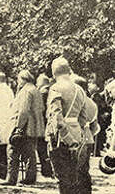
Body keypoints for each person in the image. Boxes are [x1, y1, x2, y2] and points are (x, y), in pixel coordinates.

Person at [46, 57, 91, 194]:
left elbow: (57, 118)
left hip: (61, 139)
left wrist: (67, 138)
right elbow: (84, 118)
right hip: (78, 136)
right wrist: (78, 137)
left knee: (64, 180)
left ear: (54, 72)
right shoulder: (79, 89)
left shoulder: (55, 88)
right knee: (76, 177)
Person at [1, 70, 44, 186]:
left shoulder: (25, 91)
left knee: (12, 151)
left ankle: (11, 178)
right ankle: (30, 178)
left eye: (18, 79)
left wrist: (17, 128)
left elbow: (23, 111)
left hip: (24, 127)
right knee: (30, 153)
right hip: (33, 127)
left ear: (23, 79)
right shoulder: (35, 90)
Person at [71, 75, 99, 194]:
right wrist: (89, 134)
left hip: (74, 137)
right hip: (88, 138)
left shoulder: (74, 101)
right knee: (84, 170)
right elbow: (95, 126)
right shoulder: (92, 103)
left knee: (73, 170)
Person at [36, 73, 54, 178]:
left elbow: (41, 109)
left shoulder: (43, 92)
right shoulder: (51, 91)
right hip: (48, 123)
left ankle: (46, 170)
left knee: (42, 148)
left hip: (43, 124)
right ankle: (47, 169)